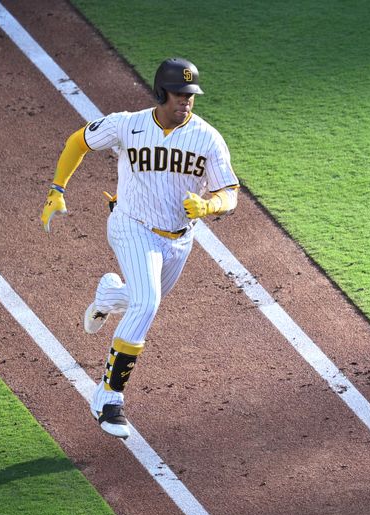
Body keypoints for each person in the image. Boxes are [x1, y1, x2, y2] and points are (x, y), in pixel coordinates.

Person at [40, 58, 240, 438]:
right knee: (147, 304)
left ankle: (107, 295)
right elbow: (77, 141)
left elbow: (229, 192)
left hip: (179, 240)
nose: (186, 101)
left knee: (138, 299)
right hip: (131, 226)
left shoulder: (207, 138)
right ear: (161, 92)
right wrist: (57, 190)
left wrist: (210, 205)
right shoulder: (127, 125)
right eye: (180, 94)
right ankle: (108, 396)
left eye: (191, 95)